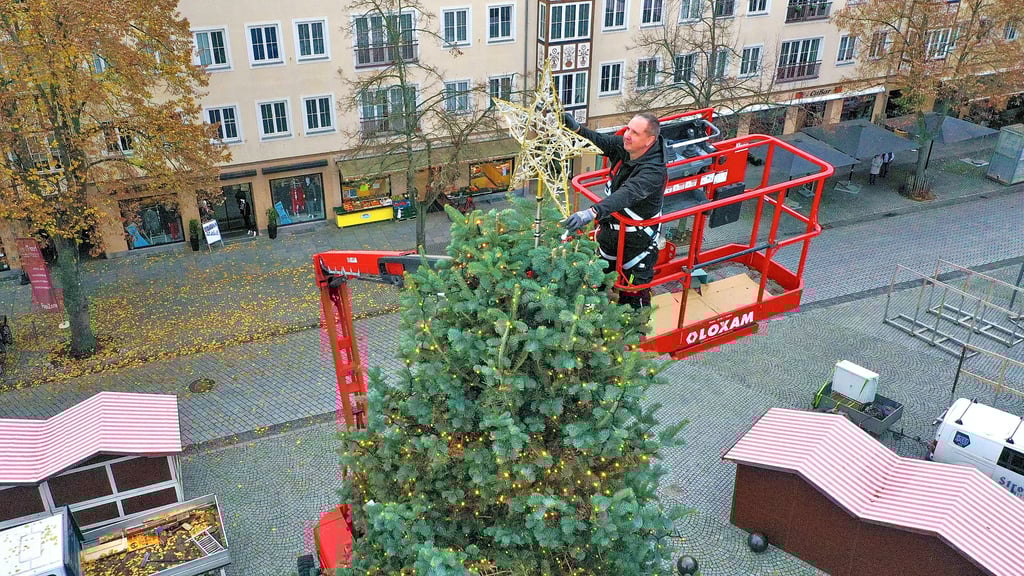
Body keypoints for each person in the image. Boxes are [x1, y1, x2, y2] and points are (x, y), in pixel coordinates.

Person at [562, 112, 667, 309]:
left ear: (649, 140)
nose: (627, 135)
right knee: (596, 277)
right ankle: (591, 310)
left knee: (634, 292)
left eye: (634, 133)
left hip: (637, 243)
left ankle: (633, 330)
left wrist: (591, 212)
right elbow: (601, 141)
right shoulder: (626, 148)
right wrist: (577, 129)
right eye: (628, 129)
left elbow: (628, 193)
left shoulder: (653, 172)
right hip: (611, 231)